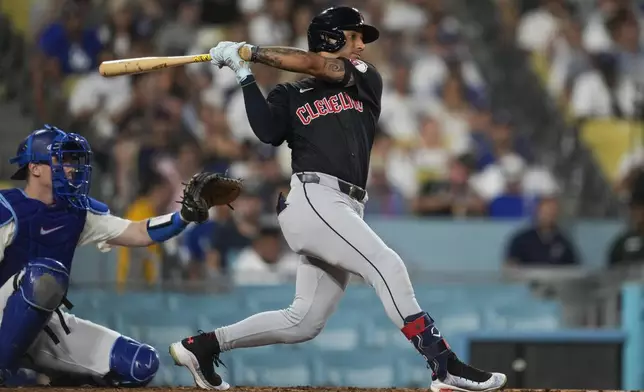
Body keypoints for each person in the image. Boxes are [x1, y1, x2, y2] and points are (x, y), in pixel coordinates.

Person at [171, 6, 507, 392]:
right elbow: (266, 131)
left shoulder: (363, 78)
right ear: (331, 38)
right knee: (387, 265)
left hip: (343, 205)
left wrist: (251, 52)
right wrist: (243, 75)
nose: (362, 45)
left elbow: (315, 65)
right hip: (314, 197)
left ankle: (203, 346)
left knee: (304, 322)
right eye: (355, 36)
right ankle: (444, 365)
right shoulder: (288, 92)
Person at [0, 125, 217, 386]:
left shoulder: (76, 211)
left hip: (42, 322)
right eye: (61, 159)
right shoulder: (7, 208)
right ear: (34, 168)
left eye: (72, 159)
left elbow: (137, 232)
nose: (70, 167)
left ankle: (49, 377)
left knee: (141, 365)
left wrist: (183, 217)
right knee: (44, 278)